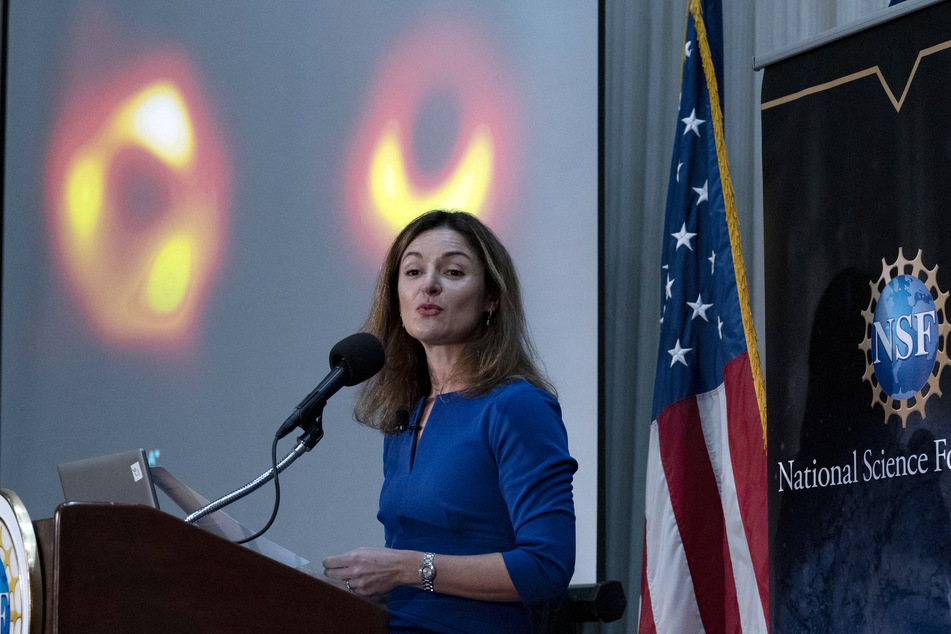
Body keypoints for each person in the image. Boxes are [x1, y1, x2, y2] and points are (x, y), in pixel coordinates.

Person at [323, 209, 577, 633]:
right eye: (413, 271)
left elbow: (546, 565)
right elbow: (417, 570)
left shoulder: (516, 407)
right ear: (396, 296)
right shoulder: (404, 418)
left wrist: (406, 569)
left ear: (491, 297)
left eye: (454, 271)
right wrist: (370, 582)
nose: (430, 285)